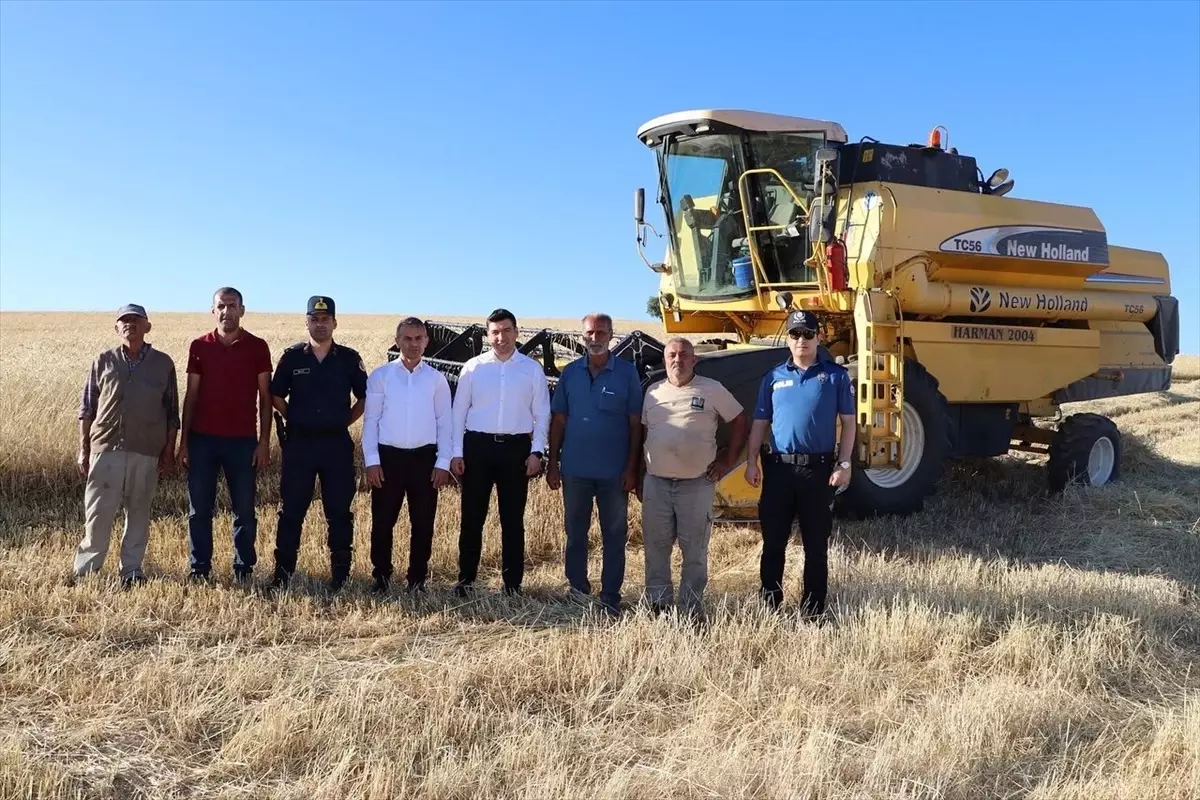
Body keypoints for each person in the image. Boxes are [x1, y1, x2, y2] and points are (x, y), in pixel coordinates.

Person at [744, 309, 855, 620]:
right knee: (773, 543)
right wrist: (751, 462)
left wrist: (844, 463)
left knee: (816, 546)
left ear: (818, 338)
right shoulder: (773, 378)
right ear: (788, 340)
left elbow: (848, 424)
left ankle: (813, 611)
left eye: (808, 334)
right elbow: (759, 424)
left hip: (818, 472)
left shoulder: (835, 376)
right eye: (795, 334)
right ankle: (770, 606)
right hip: (778, 470)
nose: (801, 340)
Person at [638, 337, 746, 619]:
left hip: (696, 484)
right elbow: (644, 434)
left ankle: (690, 608)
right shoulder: (652, 392)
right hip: (657, 483)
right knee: (656, 548)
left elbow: (739, 421)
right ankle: (659, 604)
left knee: (694, 551)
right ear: (664, 360)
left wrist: (727, 460)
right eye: (672, 354)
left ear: (694, 359)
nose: (678, 359)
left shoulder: (712, 389)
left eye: (684, 355)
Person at [72, 304, 179, 588]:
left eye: (136, 320)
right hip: (106, 448)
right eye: (124, 320)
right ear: (116, 328)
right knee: (97, 515)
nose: (130, 324)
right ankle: (86, 572)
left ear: (147, 326)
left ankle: (131, 571)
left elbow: (172, 413)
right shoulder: (103, 361)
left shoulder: (163, 364)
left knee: (139, 514)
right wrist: (84, 449)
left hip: (146, 451)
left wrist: (169, 452)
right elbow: (87, 409)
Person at [545, 312, 643, 616]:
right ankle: (577, 588)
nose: (595, 338)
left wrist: (632, 469)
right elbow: (558, 419)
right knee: (575, 532)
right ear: (582, 336)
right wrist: (552, 463)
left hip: (614, 472)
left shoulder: (627, 373)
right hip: (575, 469)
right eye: (590, 333)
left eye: (601, 332)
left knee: (614, 534)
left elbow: (636, 425)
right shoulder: (570, 373)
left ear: (612, 335)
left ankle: (610, 594)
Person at [268, 296, 368, 591]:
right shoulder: (292, 357)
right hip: (300, 444)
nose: (320, 324)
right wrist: (295, 418)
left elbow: (364, 398)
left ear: (334, 323)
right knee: (291, 510)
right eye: (315, 319)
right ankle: (282, 575)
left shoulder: (349, 359)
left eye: (325, 319)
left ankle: (340, 577)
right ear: (307, 322)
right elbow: (276, 395)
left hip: (336, 445)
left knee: (338, 511)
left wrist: (343, 422)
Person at [449, 308, 550, 597]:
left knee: (512, 520)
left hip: (516, 451)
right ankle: (466, 580)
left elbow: (541, 413)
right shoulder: (473, 367)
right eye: (495, 331)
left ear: (517, 332)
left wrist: (537, 452)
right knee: (471, 519)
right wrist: (457, 452)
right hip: (477, 449)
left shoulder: (531, 369)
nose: (501, 337)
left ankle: (512, 585)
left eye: (506, 330)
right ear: (487, 334)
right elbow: (458, 413)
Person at [179, 287, 272, 583]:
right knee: (199, 510)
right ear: (213, 310)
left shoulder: (258, 347)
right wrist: (184, 443)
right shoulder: (199, 346)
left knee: (244, 509)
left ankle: (244, 568)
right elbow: (191, 397)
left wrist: (264, 442)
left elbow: (265, 398)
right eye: (221, 306)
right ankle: (199, 569)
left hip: (242, 441)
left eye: (232, 306)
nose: (226, 311)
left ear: (242, 310)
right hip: (202, 440)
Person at [361, 317, 453, 595]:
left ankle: (417, 579)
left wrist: (443, 462)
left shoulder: (437, 380)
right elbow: (371, 421)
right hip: (388, 459)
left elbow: (445, 423)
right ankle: (381, 577)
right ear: (398, 340)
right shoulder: (381, 376)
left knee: (423, 522)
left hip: (425, 460)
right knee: (383, 521)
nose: (413, 344)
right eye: (407, 339)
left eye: (419, 339)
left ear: (426, 341)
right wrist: (372, 461)